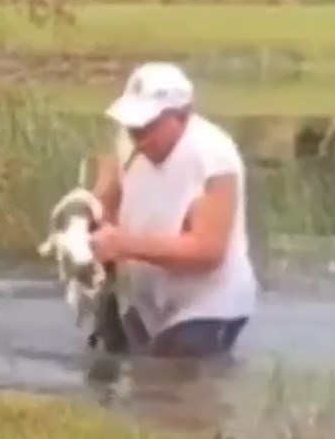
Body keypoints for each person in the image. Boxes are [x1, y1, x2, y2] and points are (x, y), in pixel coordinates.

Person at [88, 61, 259, 359]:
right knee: (136, 383)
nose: (138, 136)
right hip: (147, 301)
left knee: (176, 381)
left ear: (182, 116)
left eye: (148, 126)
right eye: (132, 126)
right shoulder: (126, 144)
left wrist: (124, 245)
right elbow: (104, 204)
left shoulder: (213, 159)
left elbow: (208, 251)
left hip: (210, 303)